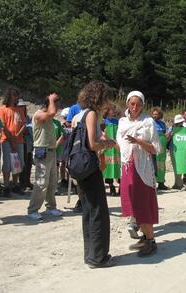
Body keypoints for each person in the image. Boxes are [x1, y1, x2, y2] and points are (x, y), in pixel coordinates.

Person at [77, 81, 116, 268]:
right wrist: (107, 144)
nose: (108, 100)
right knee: (98, 212)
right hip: (89, 167)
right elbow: (92, 144)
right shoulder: (92, 114)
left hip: (80, 168)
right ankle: (98, 257)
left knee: (88, 211)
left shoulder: (81, 114)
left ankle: (90, 255)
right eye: (106, 96)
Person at [117, 90, 161, 257]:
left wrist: (139, 141)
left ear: (143, 105)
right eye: (132, 103)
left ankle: (151, 241)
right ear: (127, 103)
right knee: (134, 205)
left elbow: (156, 149)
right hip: (128, 167)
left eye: (139, 104)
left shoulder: (148, 122)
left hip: (142, 168)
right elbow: (121, 146)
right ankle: (144, 237)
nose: (135, 107)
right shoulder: (122, 122)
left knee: (143, 204)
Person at [27, 93, 64, 220]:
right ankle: (33, 210)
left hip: (51, 151)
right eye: (56, 103)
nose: (58, 106)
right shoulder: (39, 115)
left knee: (52, 182)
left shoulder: (49, 117)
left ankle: (50, 207)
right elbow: (52, 113)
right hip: (42, 151)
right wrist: (51, 99)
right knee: (41, 182)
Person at [0, 88, 26, 197]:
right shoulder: (2, 109)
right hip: (6, 140)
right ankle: (6, 186)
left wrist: (17, 136)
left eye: (17, 96)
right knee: (7, 164)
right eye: (14, 95)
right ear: (9, 96)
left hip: (19, 140)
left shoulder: (19, 110)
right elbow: (3, 125)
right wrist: (11, 139)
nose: (16, 98)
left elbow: (23, 124)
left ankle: (15, 185)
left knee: (19, 163)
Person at [102, 104, 120, 196]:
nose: (113, 111)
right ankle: (111, 186)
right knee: (108, 166)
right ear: (107, 111)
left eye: (114, 109)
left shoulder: (118, 121)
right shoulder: (103, 122)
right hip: (107, 147)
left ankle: (121, 186)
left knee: (118, 166)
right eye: (111, 109)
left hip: (117, 146)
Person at [18, 98, 33, 192]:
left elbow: (31, 128)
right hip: (20, 141)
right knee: (21, 163)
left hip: (28, 142)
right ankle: (22, 182)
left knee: (29, 163)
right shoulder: (17, 116)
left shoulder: (28, 117)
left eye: (23, 106)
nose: (22, 108)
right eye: (20, 106)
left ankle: (27, 181)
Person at [167, 114, 186, 190]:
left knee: (180, 166)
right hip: (173, 149)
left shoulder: (184, 129)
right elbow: (167, 139)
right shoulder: (171, 128)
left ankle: (179, 184)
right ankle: (177, 184)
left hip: (181, 150)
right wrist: (171, 134)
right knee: (175, 167)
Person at [151, 107, 168, 190]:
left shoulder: (162, 123)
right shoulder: (150, 123)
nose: (154, 116)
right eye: (153, 114)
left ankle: (161, 183)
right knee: (153, 162)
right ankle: (153, 183)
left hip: (162, 143)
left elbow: (165, 134)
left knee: (161, 163)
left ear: (159, 115)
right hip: (154, 142)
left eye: (156, 114)